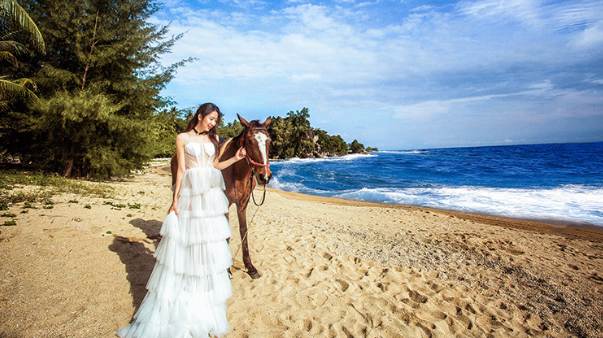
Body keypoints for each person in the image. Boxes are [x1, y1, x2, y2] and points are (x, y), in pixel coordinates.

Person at [118, 103, 246, 338]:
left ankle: (201, 301)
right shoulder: (182, 138)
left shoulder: (213, 141)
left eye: (216, 120)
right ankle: (184, 299)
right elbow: (180, 171)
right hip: (189, 196)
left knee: (206, 244)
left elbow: (215, 166)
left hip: (209, 197)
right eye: (211, 118)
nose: (213, 123)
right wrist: (175, 200)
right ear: (200, 116)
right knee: (186, 244)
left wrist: (236, 158)